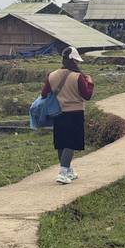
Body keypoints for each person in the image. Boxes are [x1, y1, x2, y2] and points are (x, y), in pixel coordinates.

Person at [41, 46, 94, 184]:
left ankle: (68, 170)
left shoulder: (51, 75)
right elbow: (87, 95)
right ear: (72, 61)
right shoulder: (78, 77)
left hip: (58, 113)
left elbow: (44, 94)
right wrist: (90, 83)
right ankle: (63, 172)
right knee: (71, 142)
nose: (78, 63)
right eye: (76, 61)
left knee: (61, 143)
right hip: (75, 113)